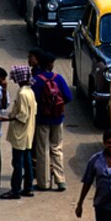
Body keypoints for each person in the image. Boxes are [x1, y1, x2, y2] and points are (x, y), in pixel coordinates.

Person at [32, 50, 72, 191]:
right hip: (58, 118)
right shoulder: (58, 78)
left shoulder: (36, 80)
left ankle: (44, 183)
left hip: (42, 119)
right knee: (57, 148)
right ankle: (61, 180)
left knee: (42, 150)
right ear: (50, 64)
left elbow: (33, 101)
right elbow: (68, 97)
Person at [0, 65, 37, 199]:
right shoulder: (30, 92)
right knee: (27, 161)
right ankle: (28, 188)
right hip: (28, 133)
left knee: (18, 163)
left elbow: (23, 116)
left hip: (20, 134)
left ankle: (15, 190)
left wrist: (7, 118)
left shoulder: (22, 94)